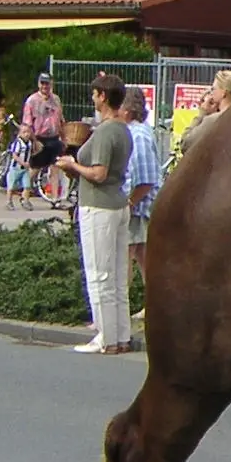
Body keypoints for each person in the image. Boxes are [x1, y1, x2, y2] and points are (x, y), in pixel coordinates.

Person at [56, 74, 134, 354]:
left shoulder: (104, 131)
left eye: (94, 94)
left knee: (99, 274)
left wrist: (73, 166)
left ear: (102, 96)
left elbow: (99, 173)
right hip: (119, 203)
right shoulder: (123, 129)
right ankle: (121, 335)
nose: (92, 98)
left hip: (98, 205)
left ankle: (105, 336)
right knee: (116, 275)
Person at [119, 87, 161, 320]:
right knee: (143, 257)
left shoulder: (138, 136)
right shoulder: (137, 132)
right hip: (140, 205)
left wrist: (130, 203)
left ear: (127, 110)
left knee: (125, 255)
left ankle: (119, 309)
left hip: (139, 207)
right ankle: (153, 305)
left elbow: (146, 179)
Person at [176, 70, 231, 157]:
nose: (210, 93)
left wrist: (202, 113)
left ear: (223, 93)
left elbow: (186, 145)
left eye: (213, 89)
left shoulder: (214, 120)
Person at [22, 71, 65, 203]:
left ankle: (55, 198)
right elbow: (28, 123)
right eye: (42, 83)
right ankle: (25, 195)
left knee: (55, 167)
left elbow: (61, 120)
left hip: (54, 137)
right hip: (39, 138)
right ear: (39, 84)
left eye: (47, 83)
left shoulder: (56, 99)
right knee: (35, 168)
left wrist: (63, 138)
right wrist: (35, 141)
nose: (45, 86)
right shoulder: (32, 100)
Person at [3, 122, 36, 210]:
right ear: (19, 133)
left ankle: (25, 200)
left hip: (25, 169)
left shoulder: (29, 143)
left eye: (28, 132)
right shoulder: (17, 143)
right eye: (24, 132)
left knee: (27, 185)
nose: (27, 134)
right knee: (11, 186)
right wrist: (22, 162)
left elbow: (30, 153)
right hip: (15, 168)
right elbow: (14, 155)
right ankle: (9, 201)